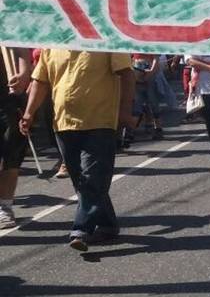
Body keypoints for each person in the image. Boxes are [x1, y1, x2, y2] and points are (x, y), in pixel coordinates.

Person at [20, 49, 135, 251]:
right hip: (63, 123)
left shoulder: (104, 40)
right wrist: (29, 114)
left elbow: (127, 73)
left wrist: (125, 111)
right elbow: (40, 81)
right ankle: (107, 225)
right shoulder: (52, 45)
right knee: (81, 180)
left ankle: (81, 229)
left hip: (100, 121)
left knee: (92, 177)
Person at [0, 46, 32, 229]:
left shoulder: (7, 20)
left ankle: (5, 206)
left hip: (7, 100)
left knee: (11, 155)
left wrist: (23, 74)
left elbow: (20, 47)